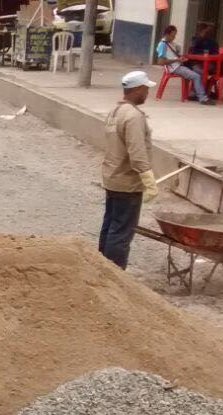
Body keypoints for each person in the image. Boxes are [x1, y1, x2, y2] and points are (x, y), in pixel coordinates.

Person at [98, 71, 157, 269]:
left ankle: (101, 268)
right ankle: (114, 274)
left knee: (110, 226)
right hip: (127, 182)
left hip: (112, 177)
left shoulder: (116, 112)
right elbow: (137, 152)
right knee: (121, 232)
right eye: (146, 89)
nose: (147, 93)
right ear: (138, 89)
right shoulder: (133, 116)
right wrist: (148, 179)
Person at [156, 25, 213, 105]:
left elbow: (175, 55)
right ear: (167, 34)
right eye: (173, 36)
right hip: (175, 68)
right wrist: (177, 60)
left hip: (179, 65)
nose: (174, 38)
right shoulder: (162, 45)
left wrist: (180, 58)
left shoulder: (171, 44)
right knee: (196, 76)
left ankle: (193, 94)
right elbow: (160, 62)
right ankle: (203, 98)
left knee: (201, 72)